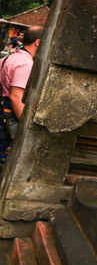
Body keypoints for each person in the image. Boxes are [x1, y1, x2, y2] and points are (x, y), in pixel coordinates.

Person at [0, 26, 41, 164]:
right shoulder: (26, 63)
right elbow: (15, 97)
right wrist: (27, 126)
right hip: (9, 113)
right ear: (38, 42)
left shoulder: (8, 58)